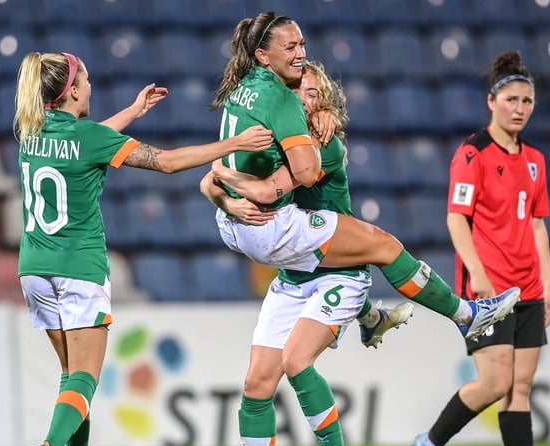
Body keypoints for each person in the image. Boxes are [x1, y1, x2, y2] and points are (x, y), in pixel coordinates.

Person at [13, 51, 273, 446]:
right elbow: (166, 163)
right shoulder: (89, 139)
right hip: (78, 268)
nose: (90, 87)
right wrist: (233, 143)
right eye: (85, 81)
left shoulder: (31, 134)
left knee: (71, 377)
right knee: (84, 379)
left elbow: (89, 141)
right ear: (73, 91)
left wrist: (133, 112)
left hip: (34, 269)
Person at [208, 11, 519, 345]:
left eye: (313, 94)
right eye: (291, 48)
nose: (300, 56)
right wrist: (227, 189)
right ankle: (461, 316)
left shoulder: (270, 109)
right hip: (288, 238)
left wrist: (224, 186)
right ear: (264, 57)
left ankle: (376, 318)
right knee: (382, 250)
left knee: (283, 365)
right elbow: (275, 186)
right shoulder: (285, 113)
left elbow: (232, 181)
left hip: (289, 242)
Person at [203, 59, 414, 446]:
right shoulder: (273, 137)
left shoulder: (321, 144)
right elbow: (208, 181)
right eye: (297, 92)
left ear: (323, 103)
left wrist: (230, 179)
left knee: (297, 361)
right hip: (296, 273)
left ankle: (403, 314)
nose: (304, 99)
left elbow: (263, 189)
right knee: (256, 382)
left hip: (335, 267)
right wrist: (228, 200)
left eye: (314, 94)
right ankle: (372, 316)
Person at [413, 50, 550, 446]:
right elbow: (456, 218)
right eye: (511, 100)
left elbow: (537, 223)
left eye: (527, 101)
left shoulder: (535, 160)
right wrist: (477, 272)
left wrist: (548, 279)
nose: (520, 108)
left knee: (520, 388)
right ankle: (429, 443)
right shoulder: (472, 154)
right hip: (490, 290)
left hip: (529, 287)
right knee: (495, 383)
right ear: (491, 101)